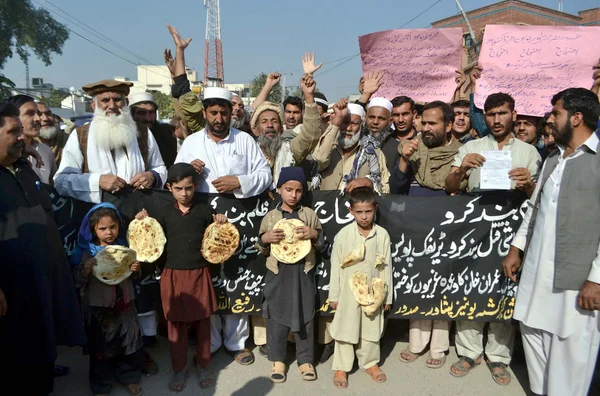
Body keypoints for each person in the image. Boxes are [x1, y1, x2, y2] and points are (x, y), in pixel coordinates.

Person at [503, 88, 600, 396]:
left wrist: (596, 280)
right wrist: (517, 248)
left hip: (576, 282)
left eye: (556, 113)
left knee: (570, 356)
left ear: (577, 117)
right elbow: (533, 209)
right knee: (532, 334)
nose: (550, 119)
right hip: (535, 276)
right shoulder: (552, 159)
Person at [445, 92, 542, 386]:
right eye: (490, 114)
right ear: (484, 117)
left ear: (513, 114)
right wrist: (462, 169)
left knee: (505, 286)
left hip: (512, 228)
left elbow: (541, 200)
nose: (496, 119)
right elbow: (449, 186)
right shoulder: (471, 147)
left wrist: (529, 184)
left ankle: (499, 355)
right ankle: (469, 351)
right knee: (471, 283)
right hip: (476, 225)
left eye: (502, 113)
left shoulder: (529, 152)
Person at [175, 85, 272, 366]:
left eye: (224, 112)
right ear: (205, 113)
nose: (219, 118)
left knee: (235, 277)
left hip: (239, 215)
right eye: (214, 112)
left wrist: (238, 182)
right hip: (202, 216)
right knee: (208, 279)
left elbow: (264, 174)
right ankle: (211, 342)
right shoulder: (191, 142)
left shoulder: (244, 140)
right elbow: (175, 177)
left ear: (232, 113)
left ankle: (236, 343)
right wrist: (187, 171)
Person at [0, 102, 85, 395]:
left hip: (43, 273)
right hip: (12, 283)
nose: (22, 137)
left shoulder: (24, 168)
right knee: (17, 347)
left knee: (43, 333)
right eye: (13, 132)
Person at [136, 163, 225, 391]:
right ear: (169, 188)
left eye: (188, 188)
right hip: (172, 274)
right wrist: (143, 222)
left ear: (195, 186)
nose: (184, 193)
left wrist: (221, 223)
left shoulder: (205, 211)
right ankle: (178, 369)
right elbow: (152, 242)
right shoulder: (162, 214)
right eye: (178, 189)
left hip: (199, 273)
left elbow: (216, 241)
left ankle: (203, 365)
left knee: (203, 323)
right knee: (175, 325)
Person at [257, 166, 324, 383]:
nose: (293, 195)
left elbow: (322, 245)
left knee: (305, 315)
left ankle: (305, 360)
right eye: (288, 189)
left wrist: (314, 235)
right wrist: (265, 239)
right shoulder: (271, 216)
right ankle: (278, 359)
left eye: (298, 190)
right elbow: (261, 247)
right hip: (278, 273)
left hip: (303, 272)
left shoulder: (310, 215)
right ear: (278, 189)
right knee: (276, 314)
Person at [54, 79, 167, 203]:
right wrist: (98, 181)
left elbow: (159, 167)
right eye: (105, 100)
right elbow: (61, 181)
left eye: (117, 99)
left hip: (139, 213)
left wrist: (152, 176)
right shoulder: (80, 135)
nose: (112, 106)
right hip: (97, 215)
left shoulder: (143, 132)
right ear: (94, 105)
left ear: (126, 103)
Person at [71, 203, 143, 396]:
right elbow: (77, 280)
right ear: (93, 229)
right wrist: (86, 269)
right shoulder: (86, 253)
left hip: (125, 305)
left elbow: (135, 276)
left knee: (128, 344)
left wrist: (136, 269)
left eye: (113, 227)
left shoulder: (125, 249)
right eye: (102, 228)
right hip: (99, 308)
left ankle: (129, 377)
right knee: (100, 349)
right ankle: (101, 384)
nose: (109, 232)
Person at [328, 187, 392, 389]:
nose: (364, 217)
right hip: (347, 293)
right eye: (359, 212)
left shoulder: (382, 235)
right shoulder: (344, 235)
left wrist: (386, 297)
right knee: (346, 328)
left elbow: (386, 266)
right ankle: (341, 366)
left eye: (368, 211)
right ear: (351, 212)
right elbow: (336, 267)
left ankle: (370, 363)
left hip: (373, 292)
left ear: (375, 209)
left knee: (371, 328)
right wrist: (334, 295)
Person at [249, 73, 324, 185]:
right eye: (264, 122)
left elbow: (311, 135)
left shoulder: (290, 150)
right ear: (255, 130)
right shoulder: (248, 152)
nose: (270, 125)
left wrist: (308, 97)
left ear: (281, 129)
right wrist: (268, 85)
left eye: (274, 121)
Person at [313, 99, 390, 194]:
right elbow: (321, 159)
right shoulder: (329, 146)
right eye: (345, 122)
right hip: (327, 206)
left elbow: (385, 188)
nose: (348, 128)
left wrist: (370, 183)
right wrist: (337, 120)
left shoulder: (374, 152)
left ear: (361, 125)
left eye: (354, 123)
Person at [390, 101, 461, 196]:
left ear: (448, 126)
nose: (425, 129)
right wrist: (404, 159)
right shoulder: (412, 150)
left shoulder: (461, 153)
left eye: (432, 123)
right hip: (413, 208)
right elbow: (395, 189)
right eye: (423, 123)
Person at [5, 95, 57, 184]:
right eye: (30, 113)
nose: (38, 119)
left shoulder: (45, 151)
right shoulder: (5, 154)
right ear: (13, 118)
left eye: (37, 113)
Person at [129, 91, 178, 168]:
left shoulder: (166, 133)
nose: (148, 118)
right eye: (142, 112)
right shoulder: (125, 137)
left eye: (151, 112)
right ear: (131, 114)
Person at [36, 101, 70, 167]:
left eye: (48, 114)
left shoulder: (67, 139)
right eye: (39, 114)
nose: (45, 118)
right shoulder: (28, 146)